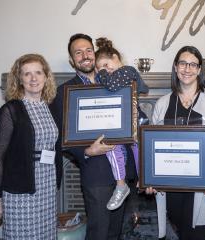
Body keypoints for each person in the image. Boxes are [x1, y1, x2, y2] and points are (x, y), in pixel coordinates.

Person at [50, 33, 137, 240]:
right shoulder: (64, 92)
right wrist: (88, 151)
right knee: (99, 233)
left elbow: (132, 115)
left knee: (115, 233)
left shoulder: (113, 81)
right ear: (72, 60)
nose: (85, 55)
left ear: (94, 53)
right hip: (96, 173)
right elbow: (61, 137)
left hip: (123, 174)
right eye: (78, 52)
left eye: (88, 50)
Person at [146, 46, 205, 240]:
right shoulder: (163, 103)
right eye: (183, 63)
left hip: (202, 189)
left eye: (193, 64)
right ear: (175, 67)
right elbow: (153, 146)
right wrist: (150, 178)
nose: (187, 68)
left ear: (200, 69)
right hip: (171, 188)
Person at [0, 53, 62, 239]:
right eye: (27, 73)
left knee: (46, 235)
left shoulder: (51, 107)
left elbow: (57, 146)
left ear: (46, 76)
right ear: (19, 79)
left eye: (38, 72)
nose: (33, 78)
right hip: (21, 188)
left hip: (47, 184)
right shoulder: (11, 109)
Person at [94, 37, 149, 211]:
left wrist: (99, 73)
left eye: (108, 64)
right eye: (100, 66)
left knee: (139, 147)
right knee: (111, 149)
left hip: (134, 121)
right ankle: (121, 185)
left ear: (118, 60)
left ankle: (146, 177)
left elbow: (112, 84)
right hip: (114, 123)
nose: (105, 69)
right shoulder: (106, 80)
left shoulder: (128, 71)